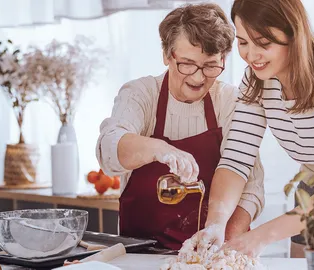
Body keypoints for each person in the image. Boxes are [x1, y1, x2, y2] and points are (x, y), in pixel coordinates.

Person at [186, 0, 314, 258]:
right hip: (312, 184)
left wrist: (260, 236)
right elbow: (236, 161)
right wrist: (216, 222)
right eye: (243, 42)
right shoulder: (255, 80)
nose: (251, 55)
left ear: (294, 35)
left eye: (263, 43)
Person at [95, 3, 265, 250]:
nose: (198, 78)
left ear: (223, 59)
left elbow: (251, 188)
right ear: (166, 54)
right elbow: (108, 150)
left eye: (210, 66)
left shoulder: (231, 101)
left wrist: (220, 245)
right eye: (187, 63)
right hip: (143, 256)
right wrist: (159, 149)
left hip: (213, 255)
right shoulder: (141, 94)